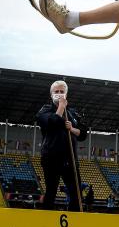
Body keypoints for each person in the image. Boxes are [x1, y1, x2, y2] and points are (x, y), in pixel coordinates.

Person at [36, 80, 88, 211]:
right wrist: (61, 107)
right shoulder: (44, 110)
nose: (59, 94)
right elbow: (52, 122)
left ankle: (74, 219)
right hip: (51, 157)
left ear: (66, 94)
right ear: (51, 94)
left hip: (70, 158)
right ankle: (47, 219)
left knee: (76, 192)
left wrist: (72, 129)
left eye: (62, 92)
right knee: (51, 190)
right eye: (56, 92)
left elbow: (83, 134)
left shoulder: (73, 113)